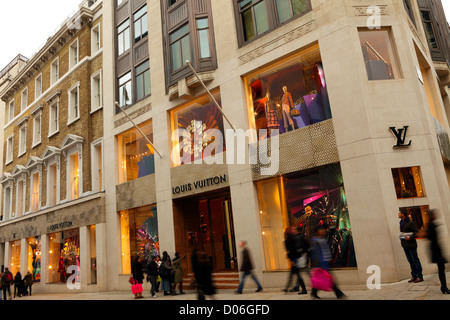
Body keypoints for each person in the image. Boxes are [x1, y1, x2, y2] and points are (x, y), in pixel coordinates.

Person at [310, 225, 345, 299]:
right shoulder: (315, 240)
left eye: (323, 230)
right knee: (330, 279)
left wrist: (329, 259)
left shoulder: (322, 239)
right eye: (321, 230)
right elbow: (316, 254)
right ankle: (339, 294)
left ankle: (314, 292)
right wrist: (318, 264)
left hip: (325, 262)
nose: (323, 231)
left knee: (324, 278)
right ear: (317, 231)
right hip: (321, 264)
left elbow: (325, 250)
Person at [422, 209, 450, 294]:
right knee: (441, 268)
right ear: (432, 215)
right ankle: (444, 287)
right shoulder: (431, 224)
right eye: (435, 214)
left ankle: (443, 287)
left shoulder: (432, 224)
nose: (437, 215)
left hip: (436, 248)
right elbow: (430, 236)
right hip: (435, 249)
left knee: (441, 268)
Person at [398, 211, 423, 283]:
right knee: (410, 261)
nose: (398, 214)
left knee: (415, 260)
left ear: (403, 214)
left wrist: (410, 237)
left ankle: (420, 276)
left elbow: (416, 232)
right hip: (404, 244)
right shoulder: (400, 222)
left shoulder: (411, 222)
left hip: (411, 244)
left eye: (399, 213)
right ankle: (414, 276)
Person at [283, 226, 309, 294]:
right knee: (298, 275)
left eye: (294, 229)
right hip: (297, 258)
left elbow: (291, 250)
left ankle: (302, 289)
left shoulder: (292, 239)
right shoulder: (293, 238)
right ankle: (296, 287)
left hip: (296, 259)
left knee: (298, 275)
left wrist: (292, 259)